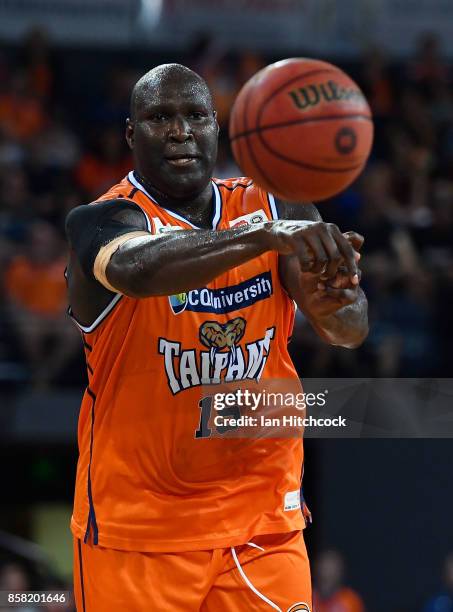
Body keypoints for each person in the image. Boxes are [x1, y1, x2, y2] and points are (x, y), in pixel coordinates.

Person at [65, 63, 368, 611]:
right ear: (132, 135)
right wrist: (261, 239)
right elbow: (138, 270)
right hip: (139, 530)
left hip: (262, 521)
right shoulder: (101, 221)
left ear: (218, 128)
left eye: (195, 116)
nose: (180, 131)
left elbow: (348, 328)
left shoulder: (279, 204)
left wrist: (334, 301)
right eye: (160, 117)